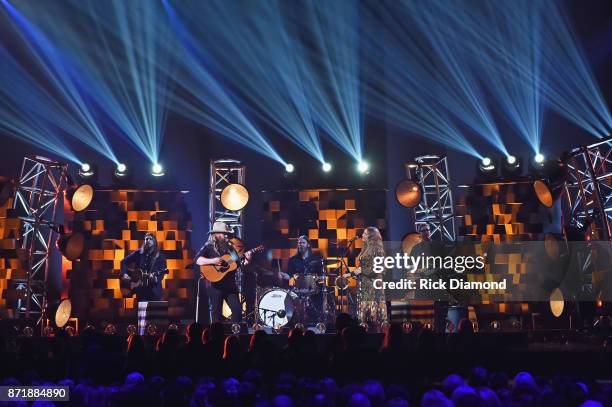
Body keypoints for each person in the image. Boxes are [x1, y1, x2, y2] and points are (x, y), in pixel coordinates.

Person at [195, 222, 251, 323]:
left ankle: (235, 334)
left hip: (230, 285)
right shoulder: (209, 246)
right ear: (215, 234)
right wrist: (212, 261)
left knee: (237, 310)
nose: (225, 235)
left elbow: (236, 264)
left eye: (226, 233)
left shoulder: (231, 248)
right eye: (222, 233)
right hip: (215, 285)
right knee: (216, 313)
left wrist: (247, 261)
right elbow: (198, 260)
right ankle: (218, 336)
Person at [354, 226, 388, 330]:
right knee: (364, 316)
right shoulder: (365, 249)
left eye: (365, 234)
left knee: (374, 315)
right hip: (365, 285)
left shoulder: (377, 250)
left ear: (371, 236)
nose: (362, 235)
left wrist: (361, 270)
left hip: (373, 287)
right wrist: (353, 273)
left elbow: (378, 269)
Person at [120, 233, 166, 301]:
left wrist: (155, 279)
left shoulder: (160, 256)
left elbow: (162, 272)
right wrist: (124, 274)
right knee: (142, 311)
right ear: (144, 241)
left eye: (150, 239)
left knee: (155, 311)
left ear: (154, 241)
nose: (148, 240)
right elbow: (123, 261)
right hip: (140, 291)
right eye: (146, 239)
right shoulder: (138, 253)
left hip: (155, 292)